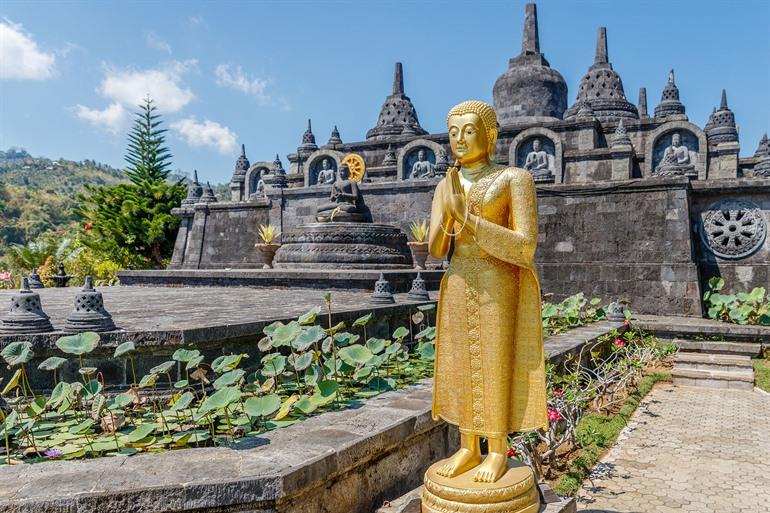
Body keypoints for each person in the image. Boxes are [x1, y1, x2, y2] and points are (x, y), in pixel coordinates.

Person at [428, 100, 547, 483]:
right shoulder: (446, 184)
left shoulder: (514, 179)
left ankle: (496, 449)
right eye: (453, 133)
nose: (460, 140)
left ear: (490, 135)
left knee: (494, 361)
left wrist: (469, 219)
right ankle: (467, 446)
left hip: (498, 281)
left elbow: (525, 246)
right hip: (459, 278)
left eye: (469, 131)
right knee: (460, 361)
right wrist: (448, 212)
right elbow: (433, 249)